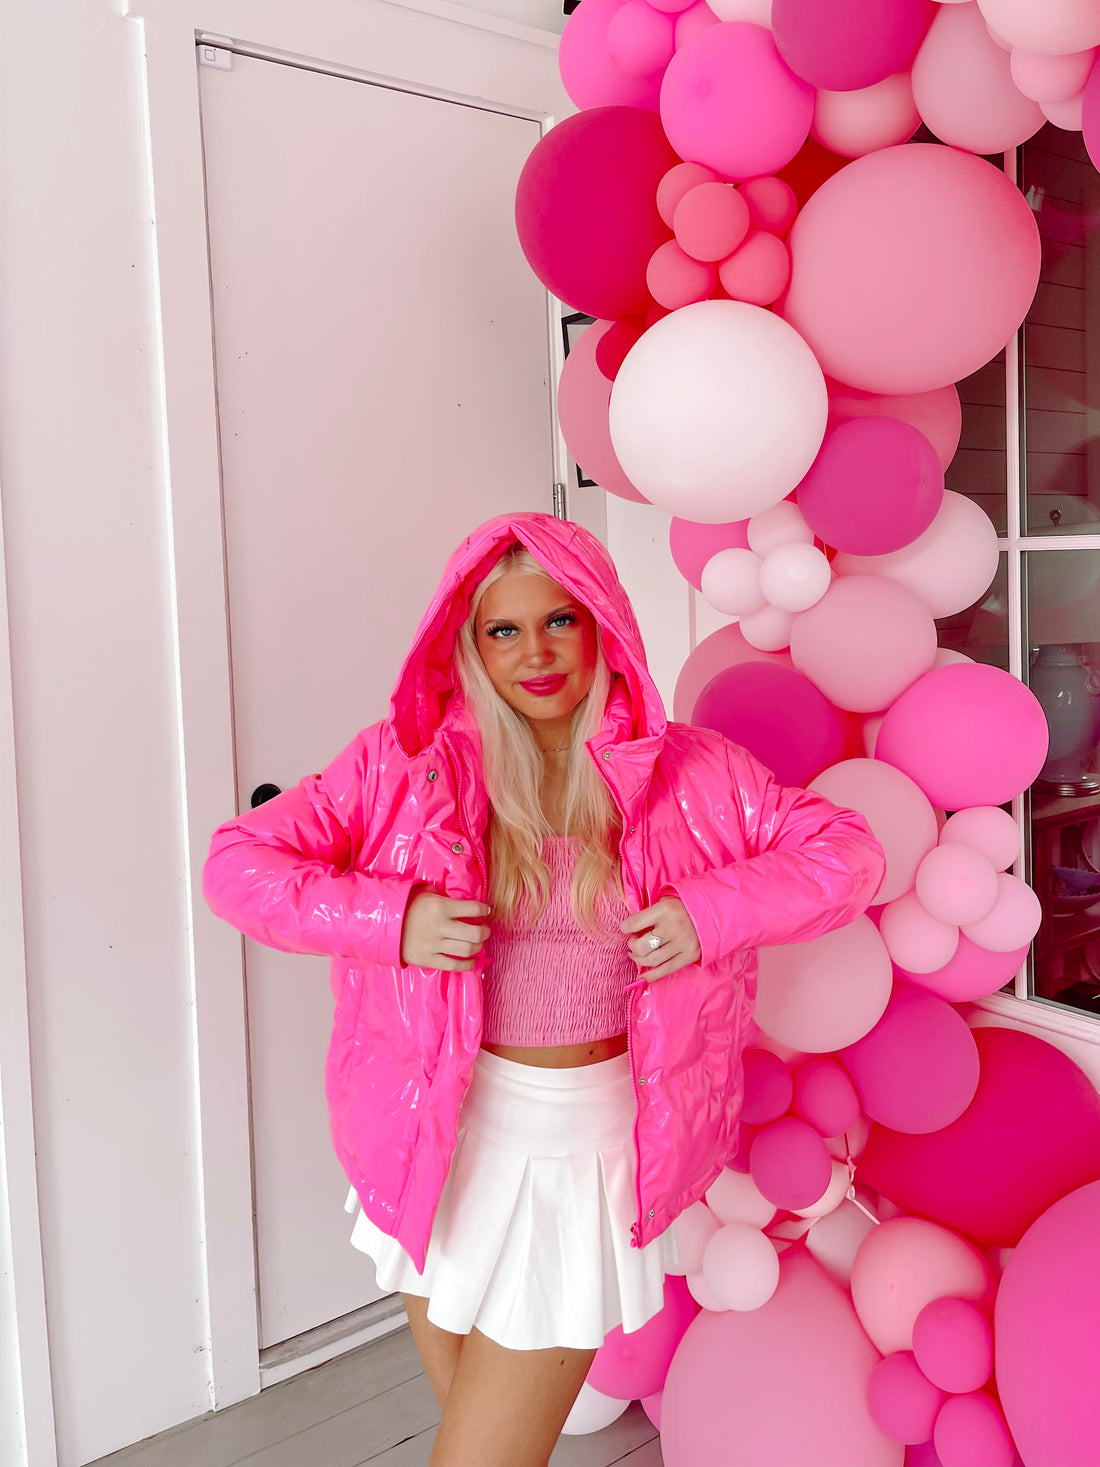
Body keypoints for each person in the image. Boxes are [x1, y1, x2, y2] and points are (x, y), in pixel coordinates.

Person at [203, 512, 884, 1466]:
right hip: (432, 1139)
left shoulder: (693, 773)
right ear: (469, 643)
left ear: (602, 622)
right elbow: (238, 864)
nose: (536, 654)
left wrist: (711, 909)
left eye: (560, 620)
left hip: (580, 1154)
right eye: (504, 630)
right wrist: (391, 919)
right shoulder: (407, 765)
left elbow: (849, 854)